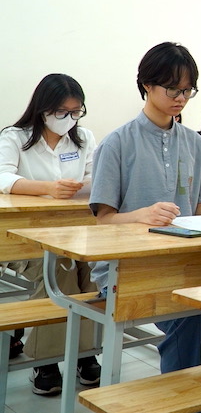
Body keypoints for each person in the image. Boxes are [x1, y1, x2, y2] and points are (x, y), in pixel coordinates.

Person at [89, 42, 201, 376]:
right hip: (131, 267)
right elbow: (104, 221)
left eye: (188, 90)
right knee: (187, 315)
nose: (181, 98)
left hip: (187, 261)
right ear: (147, 85)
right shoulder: (117, 143)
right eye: (173, 88)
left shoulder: (193, 142)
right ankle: (186, 401)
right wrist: (140, 216)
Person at [0, 73, 100, 396]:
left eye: (75, 112)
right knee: (59, 270)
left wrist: (81, 189)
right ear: (43, 109)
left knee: (95, 271)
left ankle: (85, 354)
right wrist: (49, 189)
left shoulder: (83, 138)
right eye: (62, 112)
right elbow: (2, 178)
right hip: (24, 238)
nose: (68, 120)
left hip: (76, 233)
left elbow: (95, 179)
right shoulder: (15, 137)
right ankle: (46, 361)